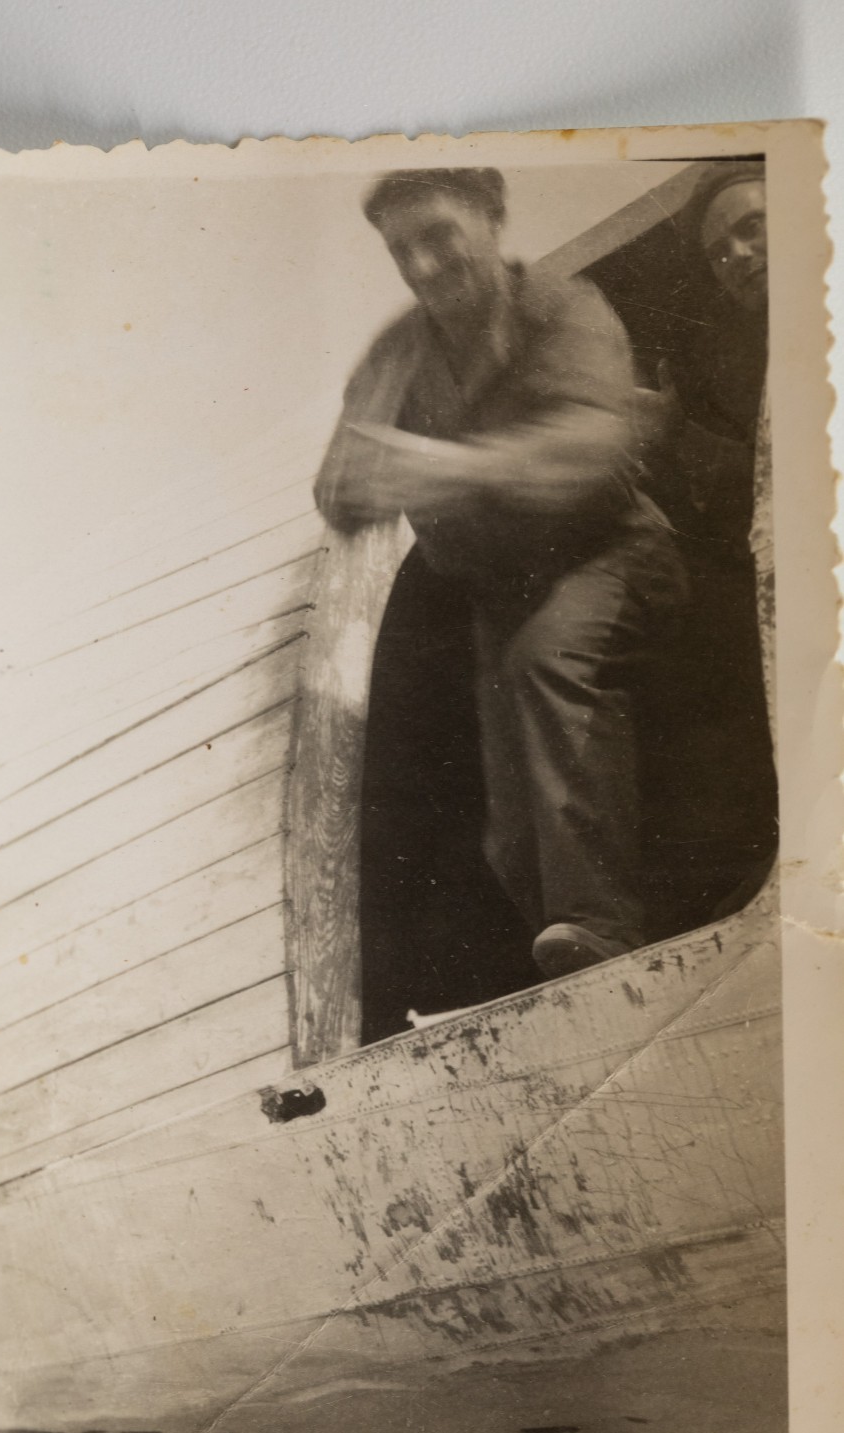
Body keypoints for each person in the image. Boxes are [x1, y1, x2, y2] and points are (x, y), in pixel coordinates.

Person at [314, 167, 687, 1033]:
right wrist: (361, 474)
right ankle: (579, 978)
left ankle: (603, 932)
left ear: (490, 217)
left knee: (547, 663)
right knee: (511, 830)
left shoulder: (565, 308)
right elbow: (340, 484)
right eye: (401, 249)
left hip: (614, 553)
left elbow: (593, 445)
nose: (422, 263)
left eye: (438, 234)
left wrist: (453, 467)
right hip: (501, 596)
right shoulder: (397, 353)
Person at [636, 163, 777, 928]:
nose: (741, 257)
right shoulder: (750, 360)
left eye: (754, 228)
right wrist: (670, 437)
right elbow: (755, 495)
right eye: (722, 253)